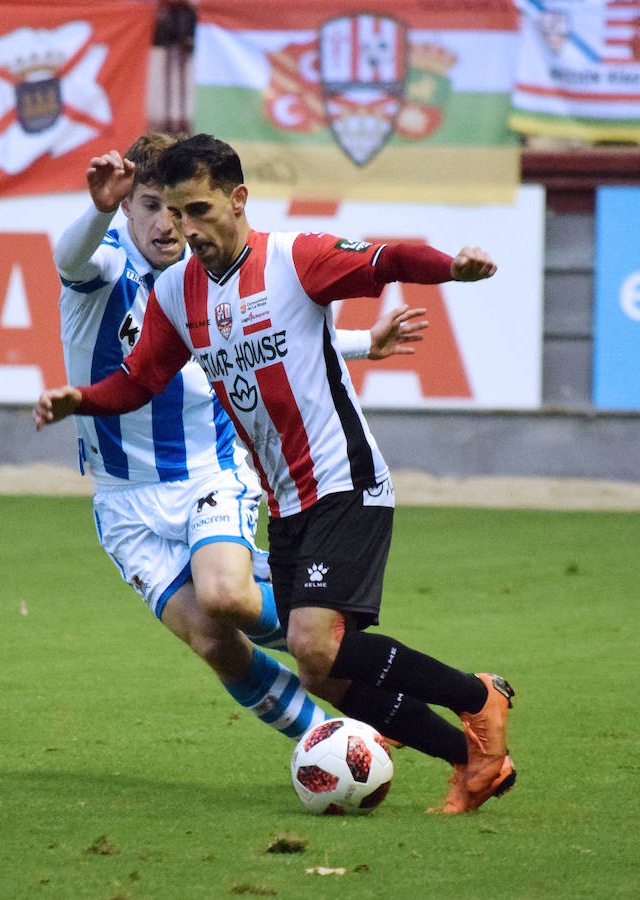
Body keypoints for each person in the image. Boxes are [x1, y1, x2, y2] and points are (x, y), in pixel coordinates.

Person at [53, 133, 430, 742]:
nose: (168, 226)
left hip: (208, 470)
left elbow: (263, 340)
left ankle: (339, 661)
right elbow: (69, 260)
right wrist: (97, 208)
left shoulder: (207, 272)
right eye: (150, 205)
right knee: (211, 638)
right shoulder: (104, 262)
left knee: (227, 596)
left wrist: (360, 343)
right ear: (127, 207)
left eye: (178, 211)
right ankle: (326, 737)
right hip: (122, 497)